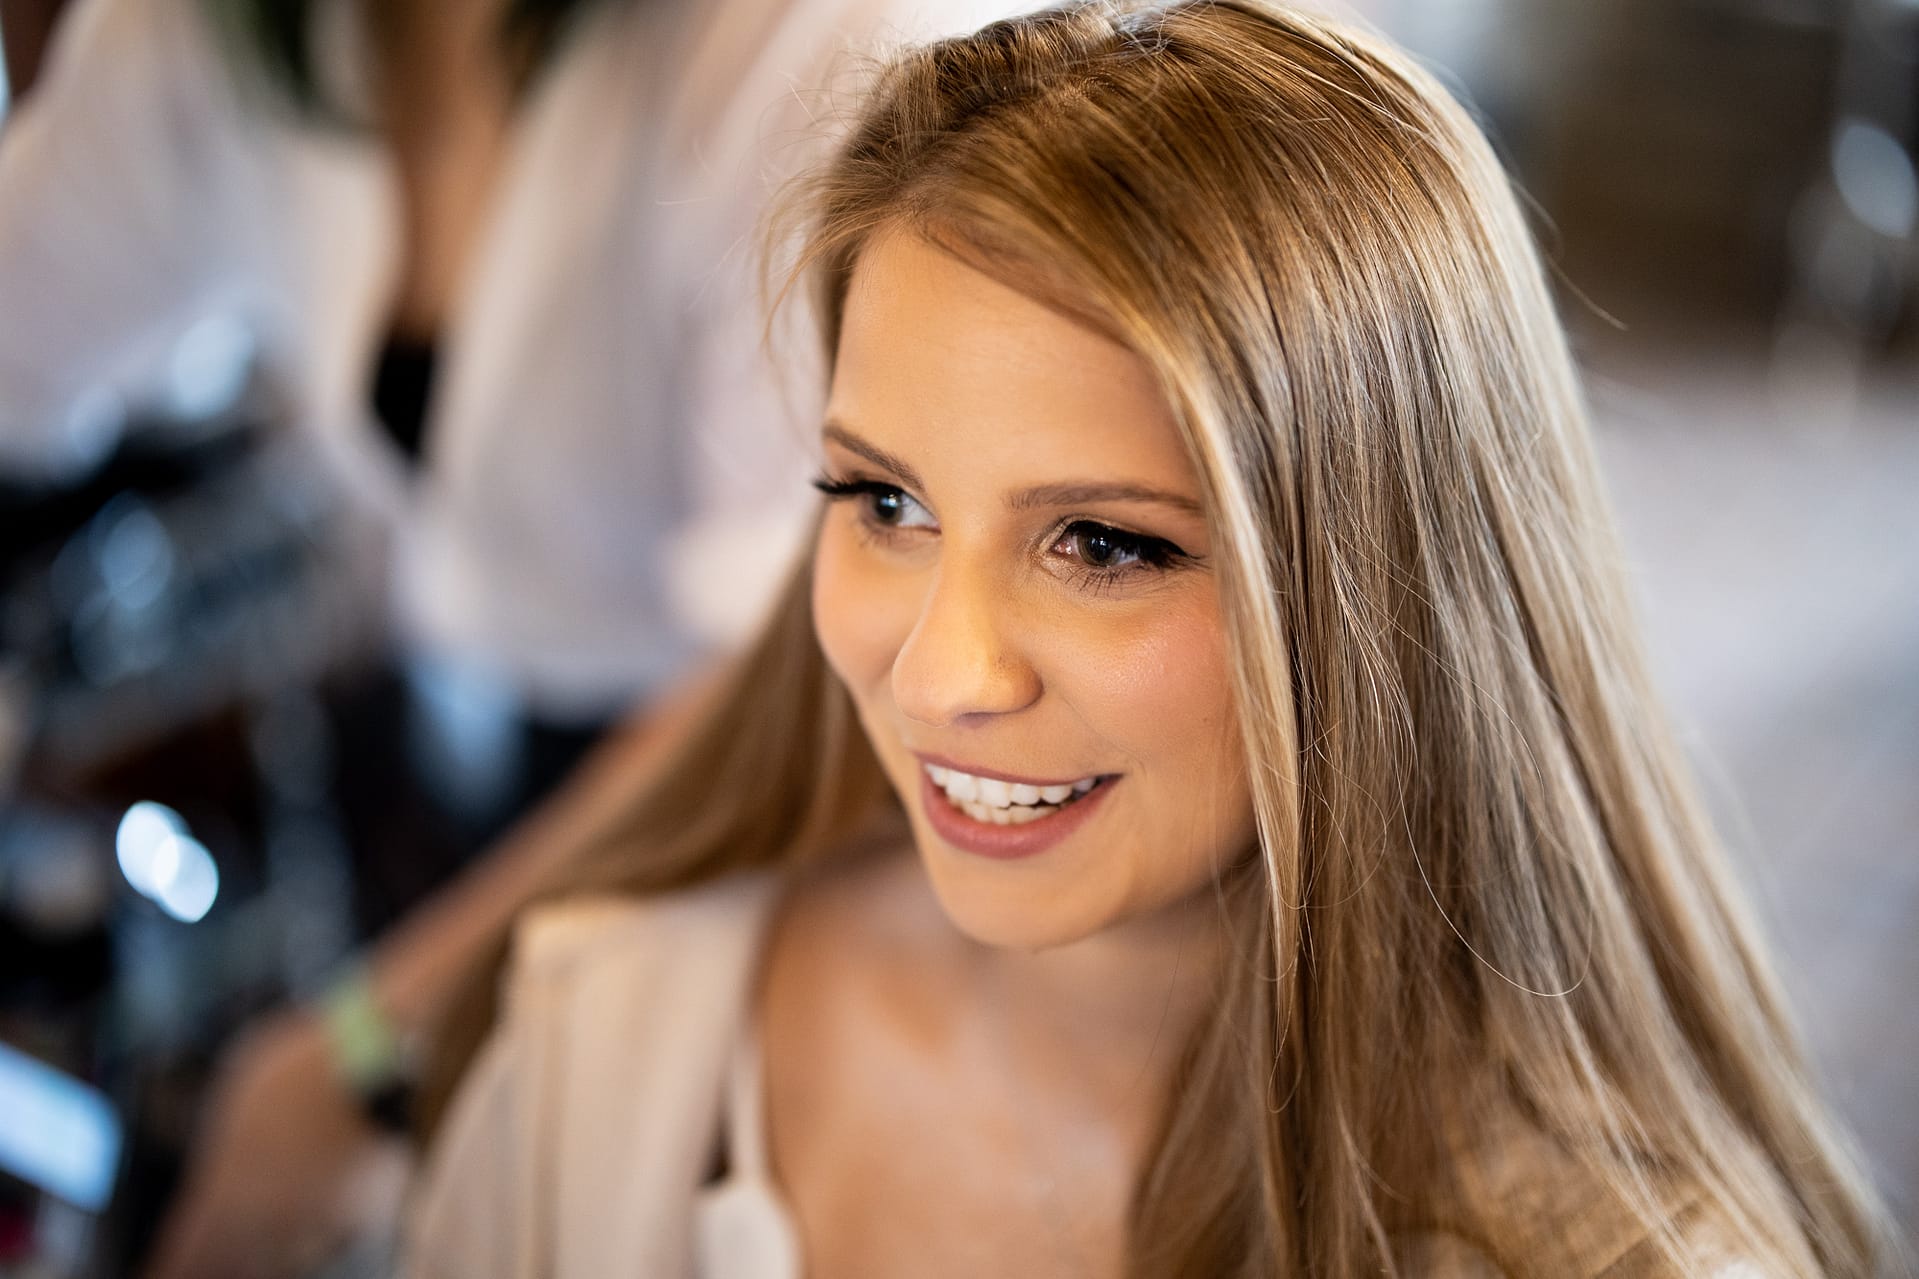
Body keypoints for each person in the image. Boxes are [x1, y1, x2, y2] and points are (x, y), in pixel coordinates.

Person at [394, 0, 1900, 1274]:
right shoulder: (610, 1045)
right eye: (884, 502)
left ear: (1387, 591)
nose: (939, 676)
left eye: (1104, 545)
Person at [0, 0, 1016, 1273]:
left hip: (756, 804)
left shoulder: (793, 46)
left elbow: (797, 674)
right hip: (468, 729)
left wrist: (367, 1051)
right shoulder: (205, 35)